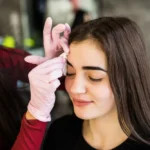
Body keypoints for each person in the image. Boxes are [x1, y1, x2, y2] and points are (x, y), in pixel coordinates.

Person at [12, 16, 150, 150]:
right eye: (70, 72)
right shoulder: (60, 132)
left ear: (128, 78)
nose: (75, 89)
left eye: (94, 77)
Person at [0, 17, 70, 150]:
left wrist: (58, 66)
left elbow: (66, 82)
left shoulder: (5, 58)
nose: (78, 89)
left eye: (93, 77)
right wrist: (36, 115)